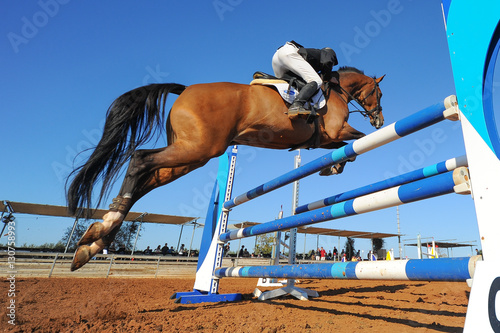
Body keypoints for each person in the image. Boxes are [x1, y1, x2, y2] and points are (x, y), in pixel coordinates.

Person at [272, 40, 338, 119]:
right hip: (288, 52)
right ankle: (296, 105)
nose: (332, 66)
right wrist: (329, 77)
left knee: (284, 84)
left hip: (276, 58)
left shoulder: (312, 58)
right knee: (317, 81)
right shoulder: (328, 52)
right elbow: (327, 61)